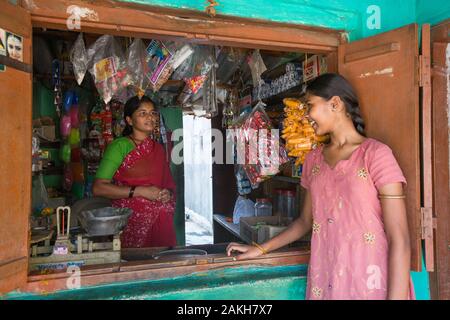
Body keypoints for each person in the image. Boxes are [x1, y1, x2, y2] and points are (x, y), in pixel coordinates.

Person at [226, 73, 415, 300]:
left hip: (371, 280)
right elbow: (305, 222)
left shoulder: (376, 155)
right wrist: (260, 249)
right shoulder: (313, 160)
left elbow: (400, 239)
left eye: (310, 106)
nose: (306, 115)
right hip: (326, 277)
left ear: (335, 104)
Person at [93, 95, 176, 248]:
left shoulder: (157, 148)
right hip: (130, 223)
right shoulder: (120, 146)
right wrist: (140, 191)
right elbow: (99, 188)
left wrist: (167, 194)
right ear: (129, 120)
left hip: (160, 223)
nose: (150, 117)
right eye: (143, 113)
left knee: (163, 266)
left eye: (152, 113)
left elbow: (168, 185)